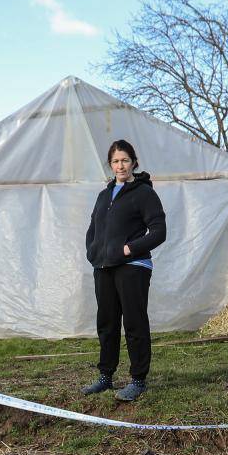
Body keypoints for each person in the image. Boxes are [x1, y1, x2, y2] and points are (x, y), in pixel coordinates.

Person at [82, 139, 166, 402]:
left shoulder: (144, 193)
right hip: (104, 266)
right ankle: (106, 377)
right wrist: (93, 251)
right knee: (106, 324)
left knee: (134, 323)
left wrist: (130, 248)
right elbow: (93, 228)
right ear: (111, 164)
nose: (120, 165)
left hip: (132, 267)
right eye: (116, 161)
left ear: (134, 162)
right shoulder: (103, 195)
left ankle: (138, 380)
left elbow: (159, 231)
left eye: (125, 160)